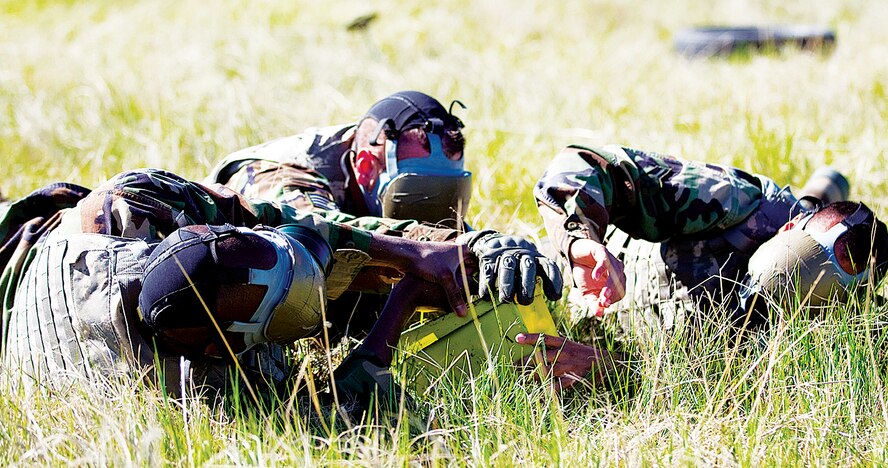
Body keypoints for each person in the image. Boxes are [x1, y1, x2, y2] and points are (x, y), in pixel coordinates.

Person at [0, 168, 561, 408]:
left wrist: (415, 253)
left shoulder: (142, 208)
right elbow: (343, 411)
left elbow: (268, 216)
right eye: (289, 314)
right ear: (219, 343)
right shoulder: (203, 393)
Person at [517, 144, 888, 390]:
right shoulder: (735, 202)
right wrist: (581, 240)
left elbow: (710, 383)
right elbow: (583, 162)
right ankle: (823, 189)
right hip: (584, 273)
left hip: (628, 337)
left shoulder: (845, 331)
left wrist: (608, 367)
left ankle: (824, 190)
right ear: (789, 228)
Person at [207, 90, 471, 232]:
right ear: (366, 167)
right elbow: (322, 231)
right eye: (418, 194)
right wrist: (435, 243)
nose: (428, 212)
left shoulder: (372, 152)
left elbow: (446, 230)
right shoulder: (282, 175)